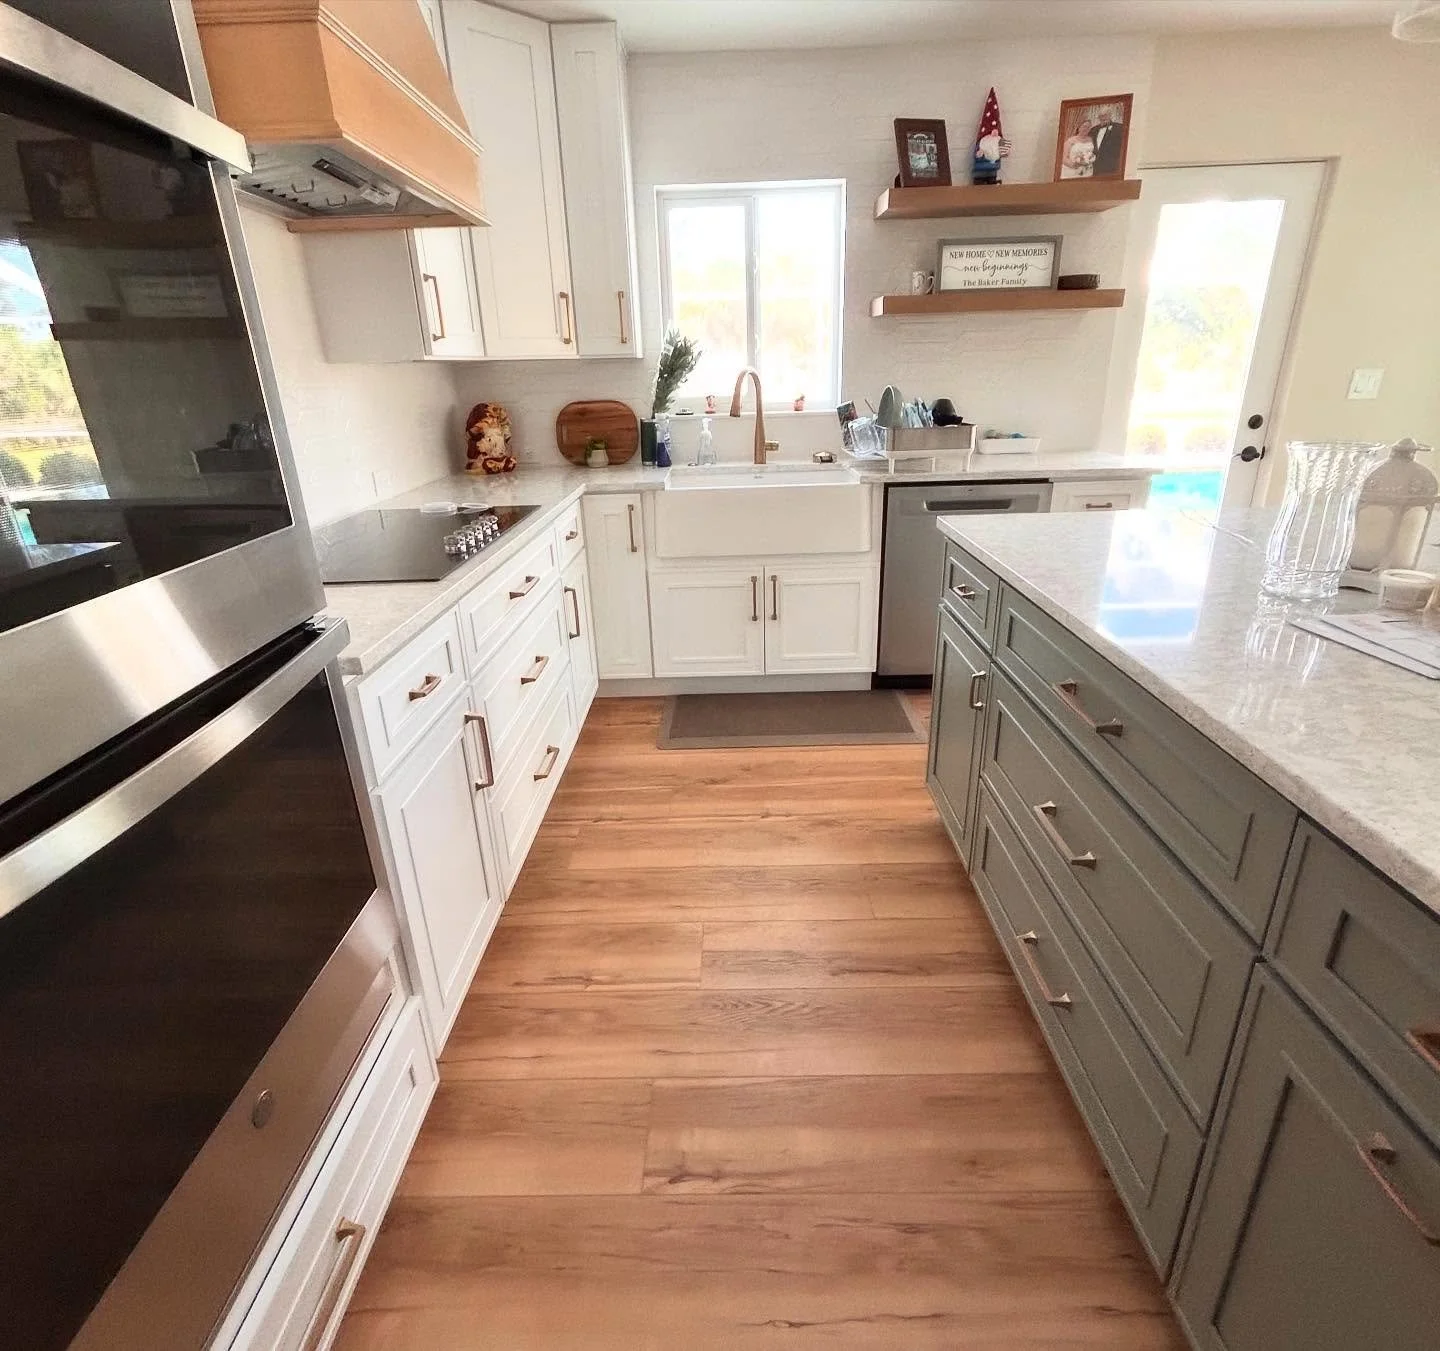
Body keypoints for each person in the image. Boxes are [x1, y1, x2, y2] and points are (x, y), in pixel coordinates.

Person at [1089, 107, 1125, 176]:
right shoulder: (1093, 130)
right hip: (1094, 167)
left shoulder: (1120, 128)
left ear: (1110, 115)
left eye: (1105, 115)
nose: (1103, 118)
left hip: (1112, 167)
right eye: (1101, 116)